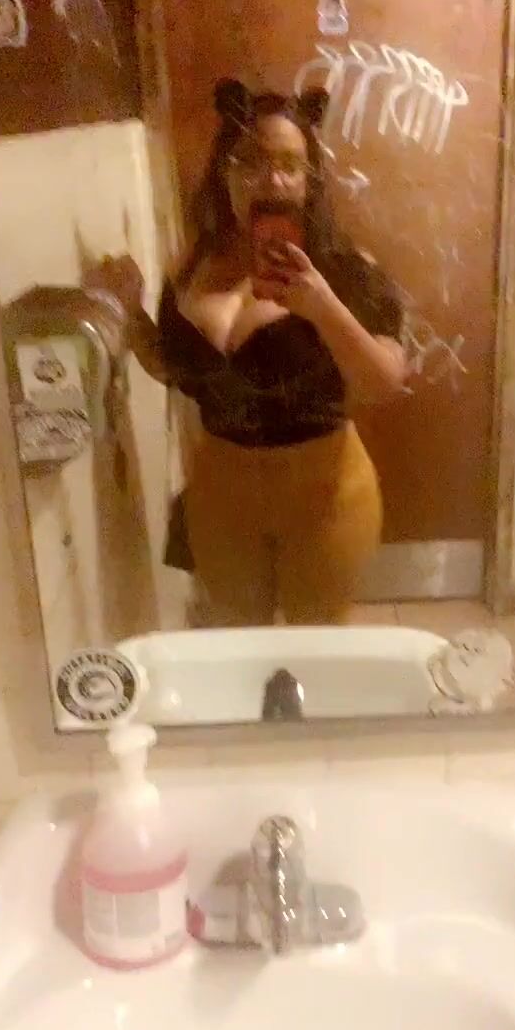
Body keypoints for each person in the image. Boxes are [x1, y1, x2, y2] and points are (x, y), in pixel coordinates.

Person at [101, 78, 408, 626]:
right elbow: (174, 368)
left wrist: (323, 307)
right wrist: (130, 311)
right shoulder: (190, 267)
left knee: (318, 650)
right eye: (251, 162)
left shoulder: (344, 269)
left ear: (310, 181)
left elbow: (385, 382)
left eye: (291, 165)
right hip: (220, 497)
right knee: (237, 646)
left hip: (327, 496)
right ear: (224, 174)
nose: (272, 179)